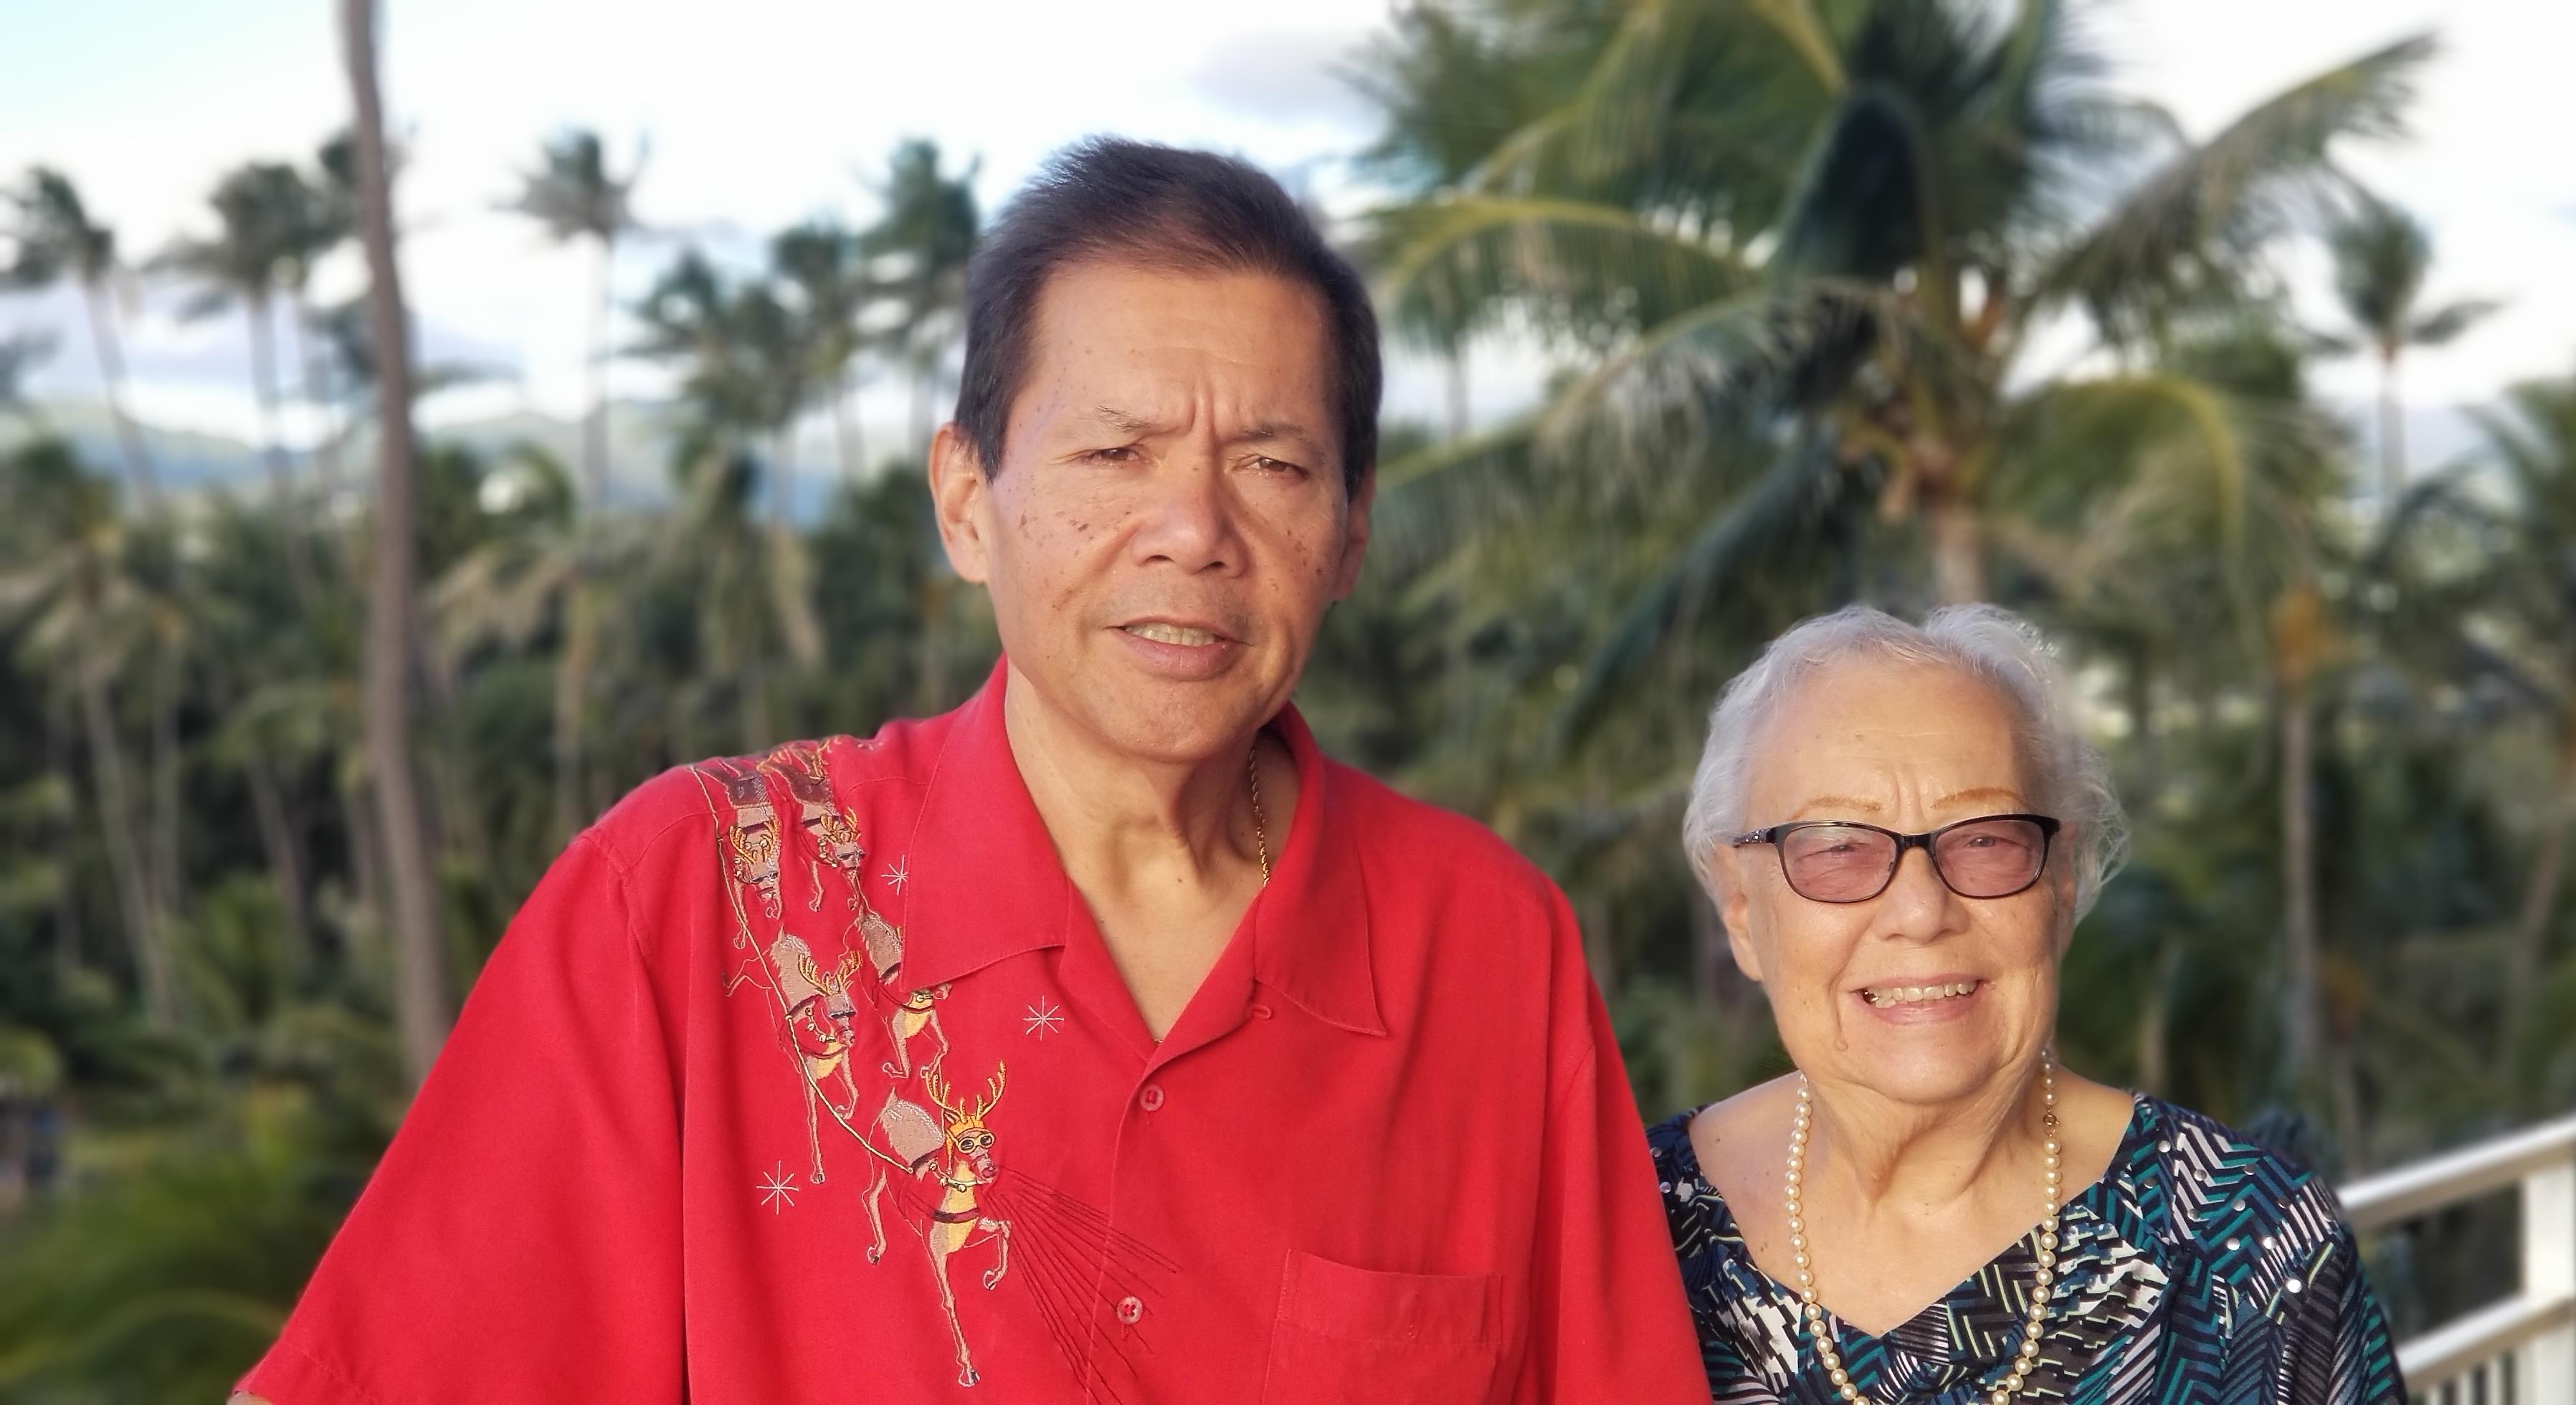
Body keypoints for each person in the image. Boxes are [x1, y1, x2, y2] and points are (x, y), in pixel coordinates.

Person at [234, 138, 1706, 1405]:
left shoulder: (1488, 947)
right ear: (965, 499)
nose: (1193, 528)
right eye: (1116, 451)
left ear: (1352, 528)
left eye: (1270, 463)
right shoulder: (700, 901)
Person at [1650, 605, 2401, 1404]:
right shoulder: (1620, 1222)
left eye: (1983, 839)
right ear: (1740, 908)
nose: (1921, 911)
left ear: (2061, 879)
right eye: (1837, 847)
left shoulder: (2250, 1250)